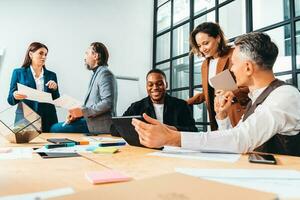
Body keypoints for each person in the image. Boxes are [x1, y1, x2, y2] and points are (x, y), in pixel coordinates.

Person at [132, 32, 300, 156]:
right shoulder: (256, 99)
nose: (232, 69)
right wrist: (223, 116)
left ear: (248, 67)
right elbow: (231, 137)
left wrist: (173, 138)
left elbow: (240, 140)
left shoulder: (284, 96)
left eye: (233, 64)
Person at [187, 22, 249, 130]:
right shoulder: (205, 64)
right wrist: (187, 102)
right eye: (199, 46)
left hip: (239, 113)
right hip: (220, 115)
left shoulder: (234, 54)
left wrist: (233, 92)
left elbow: (253, 84)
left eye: (206, 43)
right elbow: (211, 92)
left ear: (218, 38)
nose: (202, 49)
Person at [50, 42, 117, 134]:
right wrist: (76, 114)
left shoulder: (105, 74)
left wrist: (82, 112)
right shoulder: (96, 74)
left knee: (54, 129)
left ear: (95, 56)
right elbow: (92, 105)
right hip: (90, 121)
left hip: (98, 125)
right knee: (55, 127)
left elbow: (107, 103)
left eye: (87, 53)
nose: (84, 57)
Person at [121, 69, 197, 132]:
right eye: (150, 84)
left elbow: (193, 130)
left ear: (166, 85)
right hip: (146, 148)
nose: (155, 88)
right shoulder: (136, 107)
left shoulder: (181, 105)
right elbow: (116, 128)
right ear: (146, 87)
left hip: (173, 147)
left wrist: (171, 129)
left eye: (159, 84)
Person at [7, 42, 60, 132]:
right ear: (31, 54)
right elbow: (10, 100)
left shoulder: (51, 75)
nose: (44, 57)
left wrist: (54, 89)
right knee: (24, 145)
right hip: (25, 118)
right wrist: (15, 95)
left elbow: (56, 99)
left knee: (49, 144)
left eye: (45, 54)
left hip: (48, 118)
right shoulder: (18, 73)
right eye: (41, 53)